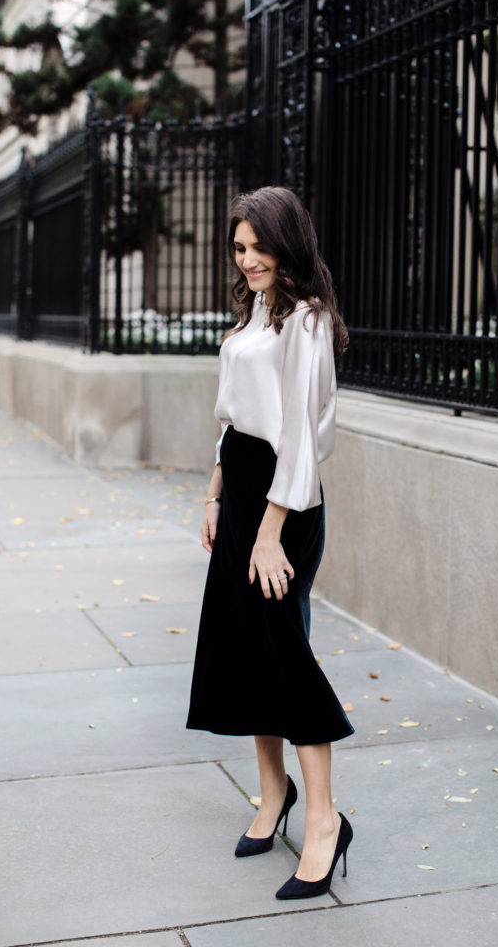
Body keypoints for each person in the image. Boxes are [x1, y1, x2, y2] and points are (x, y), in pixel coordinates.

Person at [186, 186, 354, 900]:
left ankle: (323, 820)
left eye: (258, 246)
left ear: (288, 243)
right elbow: (231, 420)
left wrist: (269, 532)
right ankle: (271, 793)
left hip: (285, 502)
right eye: (239, 248)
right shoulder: (255, 311)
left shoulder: (308, 322)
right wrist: (215, 495)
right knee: (247, 654)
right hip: (244, 489)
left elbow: (301, 440)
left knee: (283, 657)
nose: (248, 259)